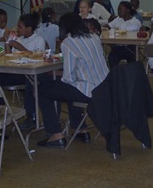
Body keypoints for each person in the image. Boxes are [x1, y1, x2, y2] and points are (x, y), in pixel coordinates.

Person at [37, 13, 109, 148]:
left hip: (89, 91)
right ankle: (80, 128)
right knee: (68, 89)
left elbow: (69, 78)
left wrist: (54, 73)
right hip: (106, 87)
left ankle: (55, 134)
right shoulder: (94, 37)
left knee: (44, 88)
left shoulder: (68, 43)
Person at [4, 14, 46, 131]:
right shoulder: (19, 39)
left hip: (31, 74)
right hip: (16, 72)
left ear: (29, 28)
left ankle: (31, 117)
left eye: (20, 26)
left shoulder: (38, 40)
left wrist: (20, 47)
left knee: (30, 83)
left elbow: (38, 59)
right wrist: (7, 43)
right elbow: (8, 57)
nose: (17, 29)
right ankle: (2, 114)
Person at [106, 1, 141, 68]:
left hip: (130, 47)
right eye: (118, 10)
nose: (118, 11)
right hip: (118, 47)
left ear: (127, 10)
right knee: (112, 58)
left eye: (120, 10)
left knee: (132, 61)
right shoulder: (118, 19)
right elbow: (108, 26)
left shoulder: (135, 22)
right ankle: (115, 75)